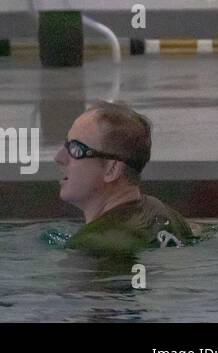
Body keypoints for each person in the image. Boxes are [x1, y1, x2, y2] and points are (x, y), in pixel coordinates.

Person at [56, 103, 194, 253]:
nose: (59, 158)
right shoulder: (167, 215)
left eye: (76, 149)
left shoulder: (94, 244)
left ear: (112, 169)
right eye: (66, 144)